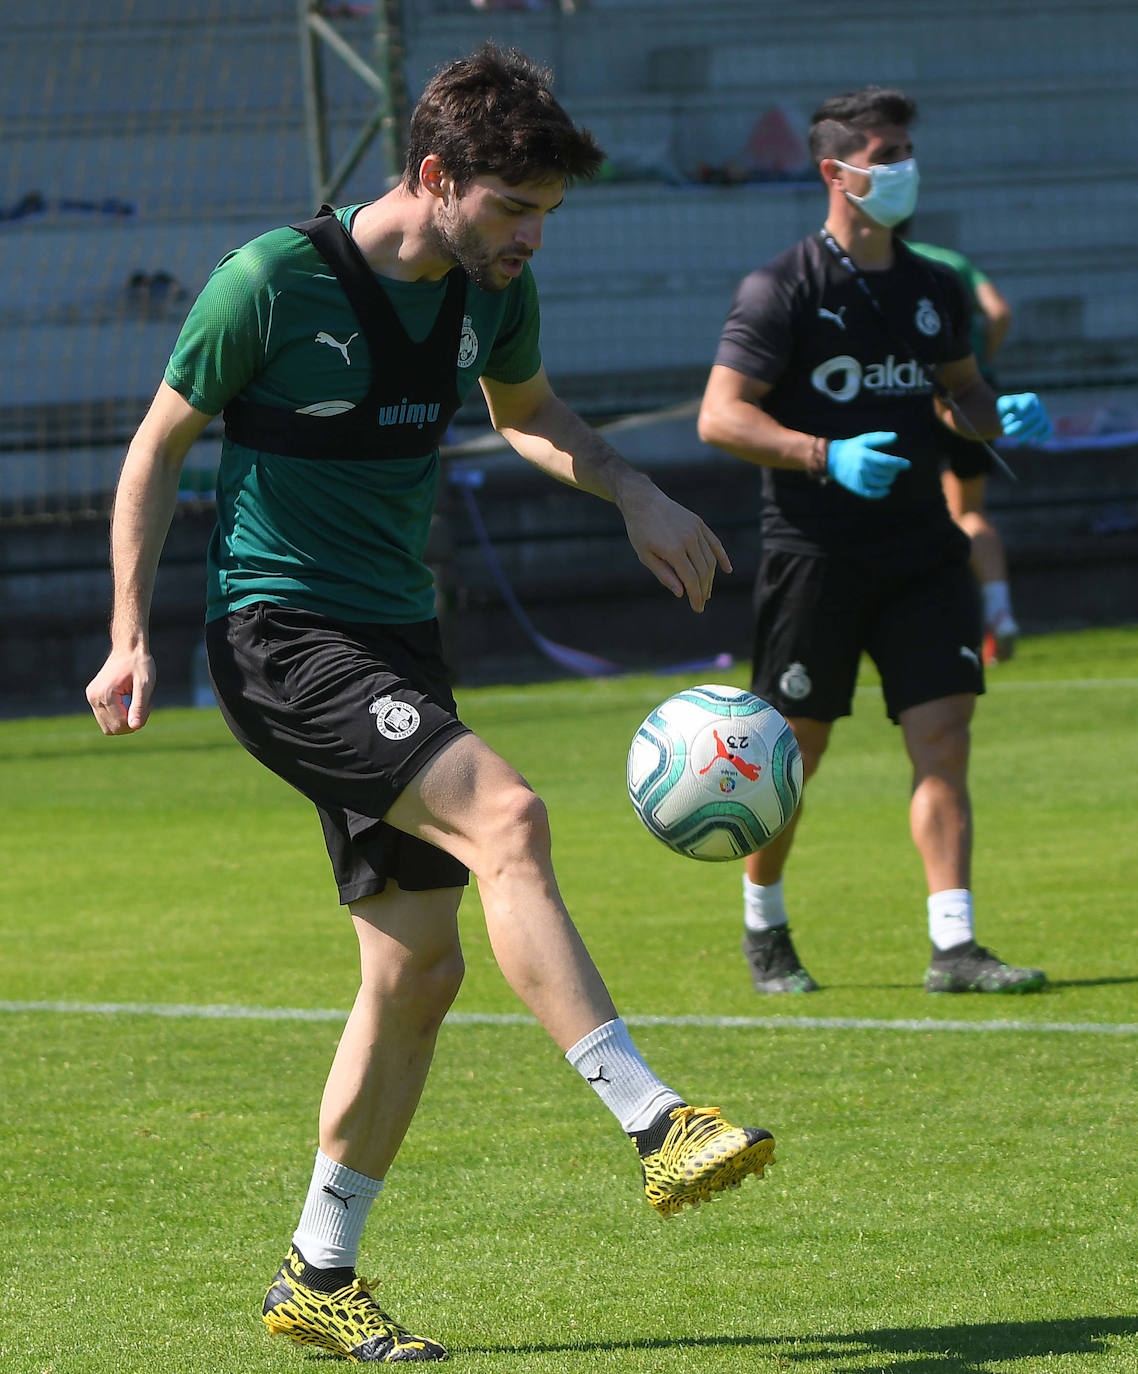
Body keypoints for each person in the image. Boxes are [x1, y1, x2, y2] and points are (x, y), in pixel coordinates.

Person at [85, 44, 774, 1366]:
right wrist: (127, 634)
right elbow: (155, 446)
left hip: (398, 640)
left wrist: (634, 490)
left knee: (415, 970)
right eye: (514, 209)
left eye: (547, 216)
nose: (530, 238)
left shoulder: (488, 289)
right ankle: (655, 1120)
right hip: (281, 635)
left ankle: (317, 1274)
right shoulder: (272, 280)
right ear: (434, 177)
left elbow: (528, 412)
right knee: (507, 813)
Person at [697, 85, 1053, 1000]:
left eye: (905, 153)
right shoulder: (782, 287)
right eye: (886, 155)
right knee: (793, 756)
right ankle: (765, 925)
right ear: (836, 171)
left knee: (943, 738)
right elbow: (720, 417)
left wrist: (993, 415)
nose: (903, 171)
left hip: (924, 553)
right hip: (815, 554)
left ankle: (955, 945)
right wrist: (823, 452)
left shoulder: (934, 287)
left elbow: (961, 395)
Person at [902, 230, 1022, 664]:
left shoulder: (882, 263)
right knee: (969, 511)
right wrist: (982, 363)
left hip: (914, 396)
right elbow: (1000, 312)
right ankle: (999, 611)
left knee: (914, 513)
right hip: (975, 394)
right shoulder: (952, 260)